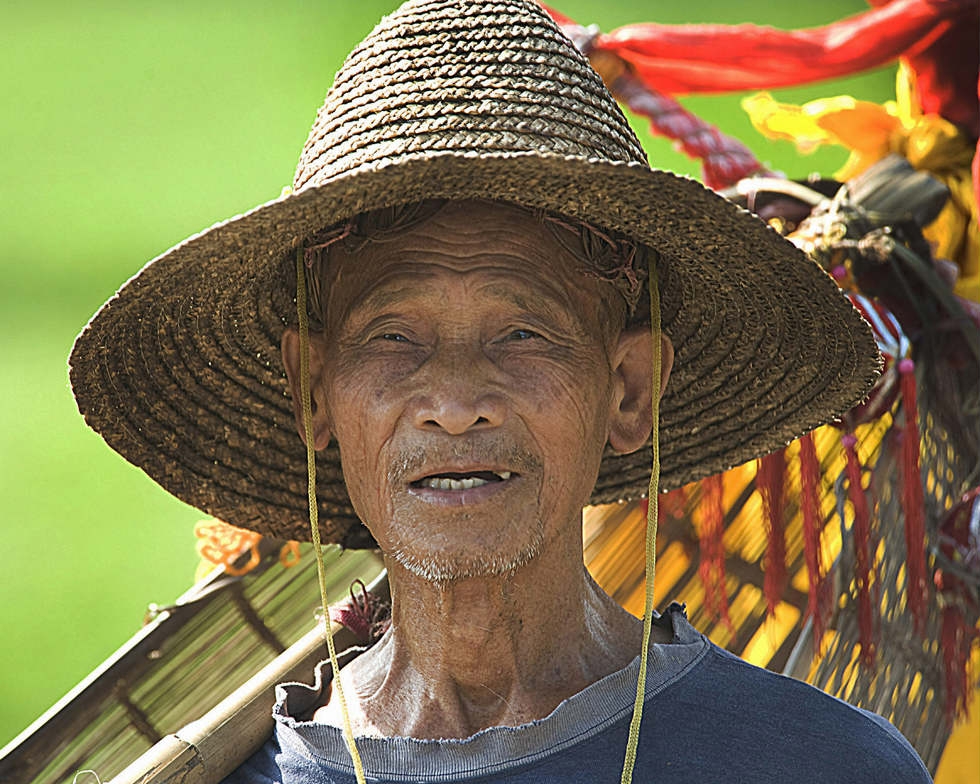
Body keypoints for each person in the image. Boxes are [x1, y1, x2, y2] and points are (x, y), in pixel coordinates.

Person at [69, 0, 933, 782]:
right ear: (313, 394)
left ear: (630, 389)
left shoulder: (819, 768)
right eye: (392, 338)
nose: (454, 402)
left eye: (522, 335)